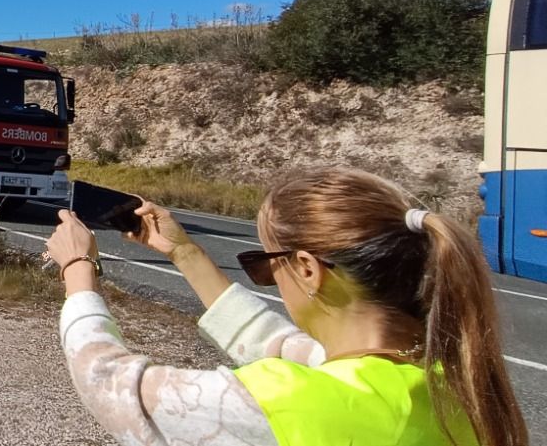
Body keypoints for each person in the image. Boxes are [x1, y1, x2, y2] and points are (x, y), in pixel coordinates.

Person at [45, 167, 524, 446]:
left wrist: (78, 266)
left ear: (308, 269)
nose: (268, 277)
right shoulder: (454, 386)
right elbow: (273, 341)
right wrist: (185, 253)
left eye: (264, 262)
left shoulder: (290, 402)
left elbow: (108, 382)